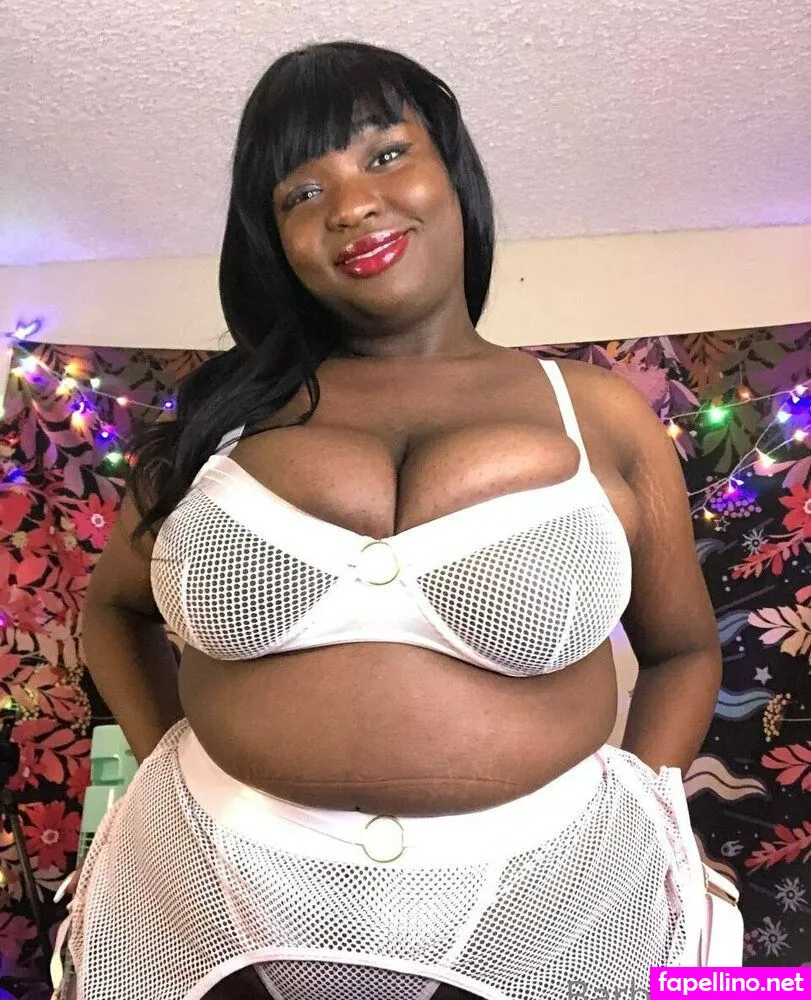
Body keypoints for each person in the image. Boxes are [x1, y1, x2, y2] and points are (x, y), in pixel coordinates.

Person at [62, 39, 728, 1000]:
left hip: (545, 904)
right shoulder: (219, 417)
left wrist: (640, 817)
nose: (350, 206)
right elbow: (113, 610)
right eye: (302, 192)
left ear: (451, 172)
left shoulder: (600, 414)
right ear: (273, 240)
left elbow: (683, 652)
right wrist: (172, 755)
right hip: (208, 894)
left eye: (384, 154)